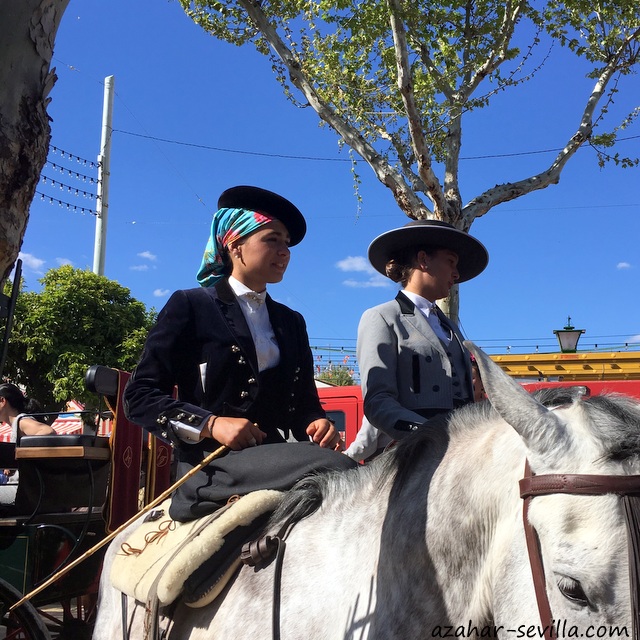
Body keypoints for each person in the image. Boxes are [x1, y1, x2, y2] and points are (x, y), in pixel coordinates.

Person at [124, 185, 357, 522]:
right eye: (272, 239)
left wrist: (316, 421)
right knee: (339, 467)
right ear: (234, 245)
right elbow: (139, 396)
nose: (284, 251)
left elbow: (304, 403)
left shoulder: (292, 322)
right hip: (212, 463)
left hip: (274, 457)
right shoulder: (191, 305)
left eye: (287, 243)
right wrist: (211, 424)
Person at [356, 220, 488, 441]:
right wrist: (427, 435)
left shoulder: (451, 327)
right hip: (413, 453)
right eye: (451, 262)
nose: (456, 274)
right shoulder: (382, 317)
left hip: (463, 450)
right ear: (423, 260)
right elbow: (378, 402)